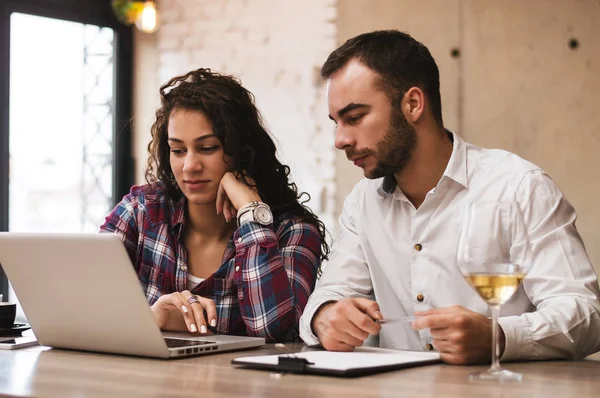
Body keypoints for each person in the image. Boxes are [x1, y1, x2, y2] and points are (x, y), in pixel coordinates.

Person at [299, 30, 600, 364]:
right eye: (336, 122)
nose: (340, 140)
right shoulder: (362, 201)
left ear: (413, 104)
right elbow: (331, 295)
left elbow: (586, 316)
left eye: (354, 118)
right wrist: (325, 316)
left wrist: (497, 337)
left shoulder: (519, 187)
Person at [101, 68, 329, 343]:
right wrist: (154, 317)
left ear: (242, 151)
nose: (189, 166)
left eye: (208, 148)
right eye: (178, 150)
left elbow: (275, 329)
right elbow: (85, 304)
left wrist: (251, 211)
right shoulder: (141, 211)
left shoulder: (292, 231)